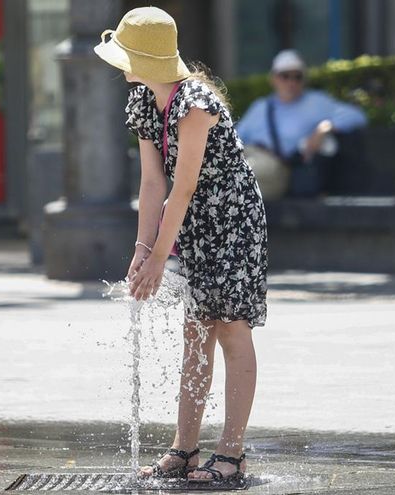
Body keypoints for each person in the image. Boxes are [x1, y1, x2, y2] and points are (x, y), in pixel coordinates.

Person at [94, 7, 267, 484]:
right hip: (191, 221)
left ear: (145, 59)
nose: (119, 64)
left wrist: (158, 258)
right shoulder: (145, 102)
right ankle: (184, 448)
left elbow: (183, 187)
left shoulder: (195, 103)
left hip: (232, 220)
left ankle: (231, 452)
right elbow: (152, 184)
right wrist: (141, 249)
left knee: (230, 327)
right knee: (196, 331)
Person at [236, 49, 368, 197]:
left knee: (241, 176)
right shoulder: (261, 106)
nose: (291, 82)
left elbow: (357, 116)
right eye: (285, 76)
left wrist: (325, 127)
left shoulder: (317, 102)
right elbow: (236, 138)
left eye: (297, 77)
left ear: (304, 80)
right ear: (273, 79)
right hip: (249, 154)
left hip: (278, 167)